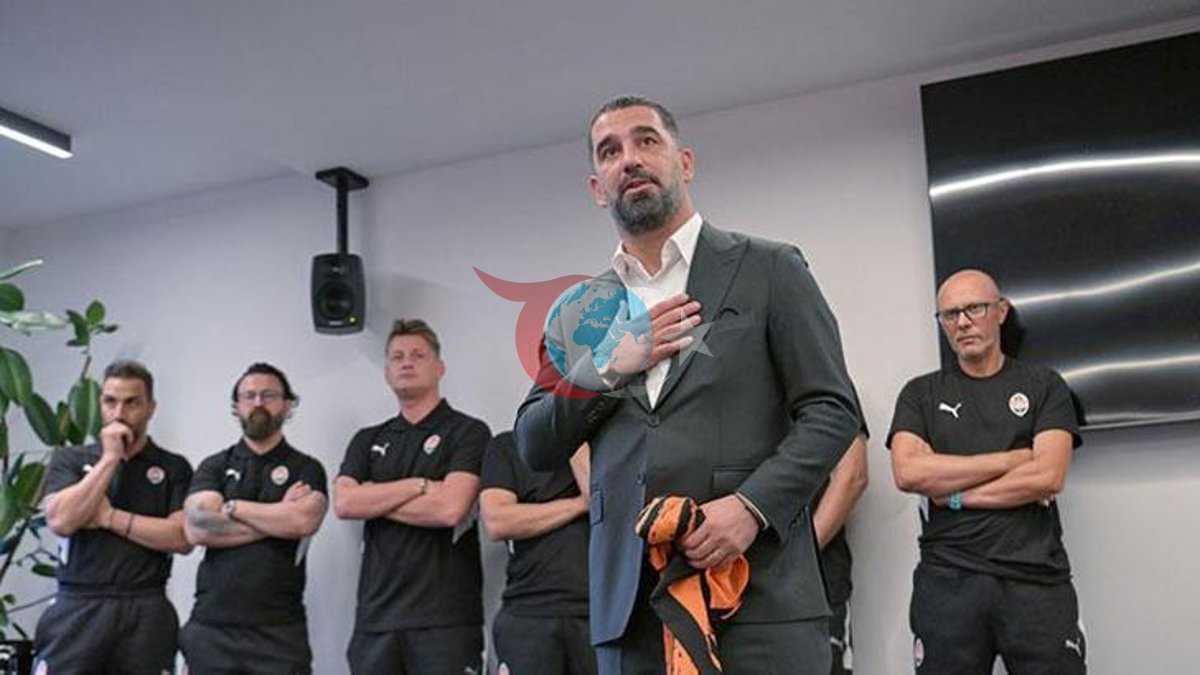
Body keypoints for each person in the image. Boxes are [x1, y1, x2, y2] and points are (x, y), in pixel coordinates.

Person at [515, 95, 861, 675]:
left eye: (646, 140)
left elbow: (832, 411)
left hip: (759, 602)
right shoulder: (580, 311)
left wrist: (751, 508)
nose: (629, 158)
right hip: (630, 617)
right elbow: (534, 442)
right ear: (598, 188)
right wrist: (610, 368)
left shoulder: (771, 268)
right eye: (609, 151)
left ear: (685, 161)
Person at [888, 268, 1086, 674]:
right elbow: (909, 473)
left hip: (1036, 580)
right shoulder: (920, 394)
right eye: (950, 314)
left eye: (974, 308)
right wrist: (1013, 460)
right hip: (948, 581)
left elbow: (1048, 476)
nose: (962, 322)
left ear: (1001, 311)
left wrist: (955, 495)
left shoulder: (1045, 386)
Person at [333, 318, 491, 675]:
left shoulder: (468, 432)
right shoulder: (367, 440)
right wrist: (419, 486)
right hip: (376, 621)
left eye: (418, 355)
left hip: (446, 621)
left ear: (439, 367)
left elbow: (450, 509)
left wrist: (373, 497)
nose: (406, 363)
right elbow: (345, 504)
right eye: (397, 356)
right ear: (387, 372)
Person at [36, 360, 192, 675]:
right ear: (101, 404)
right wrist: (109, 459)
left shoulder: (173, 467)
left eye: (132, 403)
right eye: (110, 401)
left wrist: (108, 517)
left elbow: (181, 537)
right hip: (78, 602)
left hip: (145, 605)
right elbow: (61, 521)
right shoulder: (70, 459)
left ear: (150, 408)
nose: (119, 413)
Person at [179, 362, 328, 674]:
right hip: (212, 630)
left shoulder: (307, 468)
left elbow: (302, 522)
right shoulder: (215, 466)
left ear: (287, 405)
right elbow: (198, 527)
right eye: (249, 396)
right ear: (236, 406)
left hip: (279, 633)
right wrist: (278, 517)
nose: (258, 403)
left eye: (269, 395)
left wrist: (233, 508)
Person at [479, 433, 596, 675]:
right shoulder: (509, 445)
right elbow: (497, 522)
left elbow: (601, 499)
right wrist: (577, 505)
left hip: (600, 616)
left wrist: (572, 437)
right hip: (529, 613)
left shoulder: (611, 440)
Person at [812, 432, 869, 675]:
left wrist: (800, 556)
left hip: (817, 585)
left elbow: (852, 475)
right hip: (730, 585)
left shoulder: (834, 401)